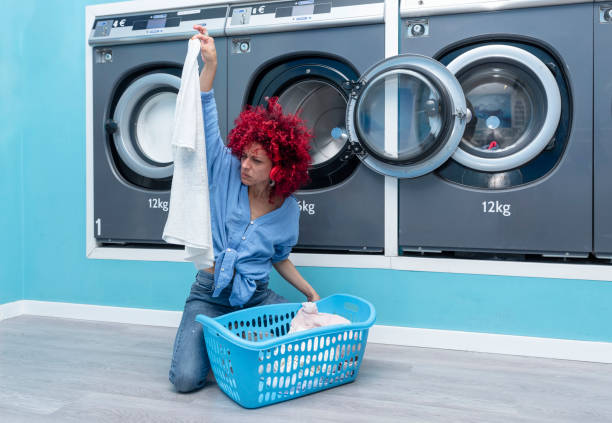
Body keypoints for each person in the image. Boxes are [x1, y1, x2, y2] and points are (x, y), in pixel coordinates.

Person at [168, 25, 321, 393]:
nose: (245, 165)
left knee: (309, 337)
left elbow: (280, 257)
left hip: (256, 296)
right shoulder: (224, 171)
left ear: (278, 168)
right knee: (186, 380)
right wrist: (211, 66)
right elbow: (205, 117)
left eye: (256, 160)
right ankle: (222, 349)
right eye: (245, 155)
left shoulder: (287, 210)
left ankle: (238, 346)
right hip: (209, 293)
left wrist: (310, 294)